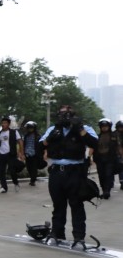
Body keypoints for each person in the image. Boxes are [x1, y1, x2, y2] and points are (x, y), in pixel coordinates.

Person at [40, 105, 98, 246]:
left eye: (68, 114)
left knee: (76, 205)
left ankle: (79, 237)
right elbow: (40, 146)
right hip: (56, 172)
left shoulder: (84, 128)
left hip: (75, 172)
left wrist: (80, 130)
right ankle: (57, 234)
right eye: (62, 114)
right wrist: (50, 138)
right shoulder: (53, 129)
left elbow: (95, 143)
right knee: (58, 205)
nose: (65, 117)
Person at [0, 116, 23, 194]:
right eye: (2, 123)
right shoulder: (0, 133)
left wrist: (21, 152)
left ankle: (16, 183)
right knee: (1, 171)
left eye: (5, 123)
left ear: (8, 124)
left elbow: (20, 142)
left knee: (12, 171)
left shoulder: (14, 132)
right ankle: (3, 187)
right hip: (1, 154)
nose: (3, 124)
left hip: (10, 154)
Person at [92, 119, 119, 200]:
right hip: (99, 159)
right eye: (103, 126)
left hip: (110, 159)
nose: (104, 128)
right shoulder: (97, 136)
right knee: (101, 175)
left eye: (106, 126)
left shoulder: (114, 136)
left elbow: (119, 146)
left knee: (108, 174)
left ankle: (107, 190)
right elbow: (93, 147)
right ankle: (104, 190)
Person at [21, 121, 43, 186]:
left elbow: (40, 145)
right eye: (29, 128)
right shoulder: (26, 136)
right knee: (28, 167)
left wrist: (42, 153)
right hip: (27, 154)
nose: (30, 129)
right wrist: (23, 153)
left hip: (34, 154)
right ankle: (32, 178)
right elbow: (24, 144)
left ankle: (33, 180)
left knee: (34, 168)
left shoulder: (38, 136)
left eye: (31, 128)